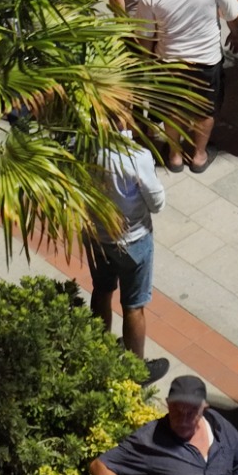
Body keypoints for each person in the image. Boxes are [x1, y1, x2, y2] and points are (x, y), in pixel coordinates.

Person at [129, 0, 238, 171]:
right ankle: (199, 156)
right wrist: (236, 34)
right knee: (205, 110)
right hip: (207, 61)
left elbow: (145, 36)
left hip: (170, 62)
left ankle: (175, 156)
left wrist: (146, 64)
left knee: (172, 109)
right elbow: (234, 14)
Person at [87, 136, 168, 374]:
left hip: (97, 235)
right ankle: (135, 370)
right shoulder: (136, 156)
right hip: (133, 240)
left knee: (102, 290)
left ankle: (97, 353)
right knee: (133, 305)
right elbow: (157, 202)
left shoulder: (85, 146)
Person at [88, 374, 238, 475]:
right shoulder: (149, 440)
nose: (183, 420)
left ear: (204, 408)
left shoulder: (219, 426)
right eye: (177, 410)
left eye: (191, 412)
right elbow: (100, 466)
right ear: (167, 404)